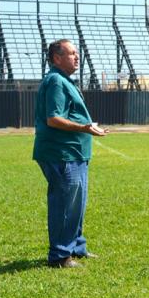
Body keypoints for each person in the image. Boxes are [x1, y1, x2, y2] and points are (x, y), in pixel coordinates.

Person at [34, 39, 107, 268]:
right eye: (72, 53)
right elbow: (53, 119)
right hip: (62, 154)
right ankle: (59, 256)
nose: (77, 57)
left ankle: (75, 247)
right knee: (65, 204)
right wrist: (84, 128)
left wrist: (87, 127)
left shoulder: (65, 80)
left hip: (74, 153)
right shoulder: (56, 80)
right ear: (57, 58)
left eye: (77, 53)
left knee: (77, 203)